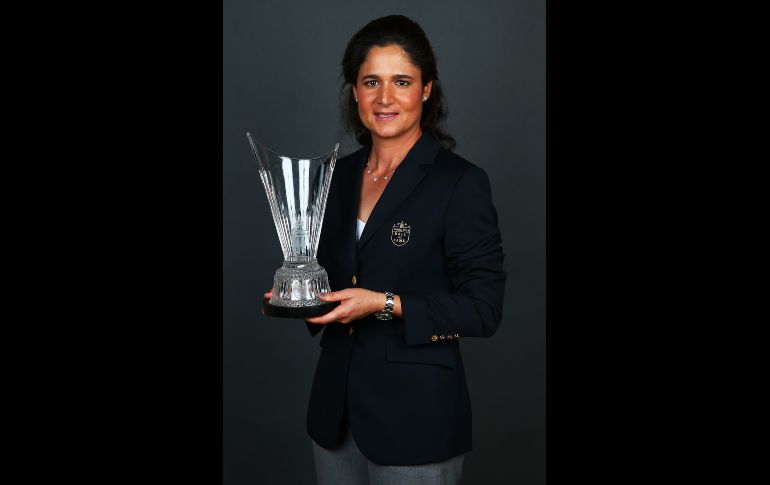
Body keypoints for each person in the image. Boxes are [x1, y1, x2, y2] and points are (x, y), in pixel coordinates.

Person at [264, 14, 506, 485]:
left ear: (427, 90)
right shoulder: (336, 176)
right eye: (371, 81)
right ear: (354, 91)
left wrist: (384, 304)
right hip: (334, 417)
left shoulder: (460, 183)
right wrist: (300, 301)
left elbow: (484, 309)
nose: (385, 98)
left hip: (417, 418)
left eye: (402, 81)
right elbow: (334, 283)